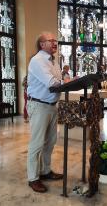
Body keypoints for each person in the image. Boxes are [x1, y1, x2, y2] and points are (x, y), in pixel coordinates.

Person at [27, 32, 63, 193]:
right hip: (39, 105)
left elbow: (59, 82)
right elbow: (52, 83)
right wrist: (68, 82)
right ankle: (33, 178)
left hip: (52, 105)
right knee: (37, 143)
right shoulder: (37, 60)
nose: (55, 43)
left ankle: (45, 171)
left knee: (50, 141)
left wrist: (69, 82)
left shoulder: (54, 61)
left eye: (56, 40)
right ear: (42, 44)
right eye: (51, 41)